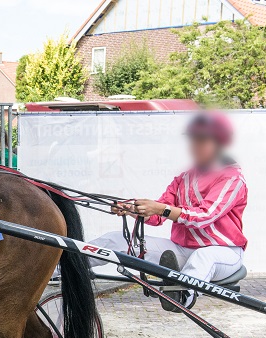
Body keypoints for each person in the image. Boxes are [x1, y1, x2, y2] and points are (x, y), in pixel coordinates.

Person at [86, 111, 248, 312]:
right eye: (193, 140)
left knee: (203, 257)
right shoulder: (183, 178)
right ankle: (60, 269)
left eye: (202, 140)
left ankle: (182, 297)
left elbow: (204, 217)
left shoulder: (232, 178)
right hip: (182, 250)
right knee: (115, 240)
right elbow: (157, 217)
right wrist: (132, 209)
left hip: (224, 252)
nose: (194, 146)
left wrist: (161, 209)